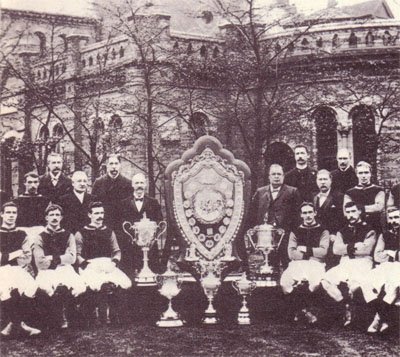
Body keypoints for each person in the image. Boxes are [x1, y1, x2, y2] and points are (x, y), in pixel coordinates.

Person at [75, 202, 131, 325]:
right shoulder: (80, 233)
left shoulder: (109, 232)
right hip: (89, 265)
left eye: (101, 213)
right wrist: (86, 265)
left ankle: (114, 314)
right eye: (96, 213)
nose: (100, 216)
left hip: (107, 264)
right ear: (90, 215)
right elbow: (77, 254)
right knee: (97, 284)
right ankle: (98, 316)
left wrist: (114, 263)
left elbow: (116, 251)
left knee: (122, 283)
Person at [321, 201, 376, 327]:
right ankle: (345, 305)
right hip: (345, 262)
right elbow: (336, 250)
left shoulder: (370, 229)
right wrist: (354, 246)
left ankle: (358, 313)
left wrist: (345, 248)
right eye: (348, 212)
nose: (350, 215)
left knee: (355, 286)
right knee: (326, 281)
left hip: (363, 262)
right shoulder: (342, 231)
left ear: (360, 212)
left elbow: (366, 250)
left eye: (353, 211)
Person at [33, 204, 86, 330]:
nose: (54, 218)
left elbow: (72, 258)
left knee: (78, 286)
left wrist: (51, 258)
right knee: (48, 287)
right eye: (51, 215)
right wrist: (62, 258)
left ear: (61, 217)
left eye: (57, 215)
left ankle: (69, 315)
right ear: (46, 217)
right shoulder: (40, 237)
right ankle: (55, 317)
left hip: (65, 269)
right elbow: (40, 262)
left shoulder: (68, 235)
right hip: (47, 271)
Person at [280, 202, 329, 324]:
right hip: (297, 264)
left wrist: (305, 249)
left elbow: (323, 252)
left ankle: (300, 311)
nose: (308, 215)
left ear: (315, 213)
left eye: (310, 212)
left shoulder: (323, 231)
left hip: (316, 264)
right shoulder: (295, 231)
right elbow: (291, 253)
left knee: (315, 284)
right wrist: (312, 252)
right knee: (284, 283)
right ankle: (305, 311)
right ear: (301, 215)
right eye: (305, 213)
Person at [247, 164, 301, 267]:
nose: (276, 176)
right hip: (266, 236)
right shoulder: (260, 192)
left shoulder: (292, 191)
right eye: (274, 174)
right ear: (269, 177)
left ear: (283, 176)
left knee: (288, 263)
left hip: (286, 235)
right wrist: (255, 228)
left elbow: (298, 214)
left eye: (279, 174)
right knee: (270, 263)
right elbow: (252, 212)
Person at [0, 202, 41, 337]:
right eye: (8, 212)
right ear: (2, 214)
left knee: (32, 285)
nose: (11, 215)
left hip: (18, 268)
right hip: (2, 270)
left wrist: (7, 256)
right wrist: (17, 253)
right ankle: (21, 325)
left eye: (14, 213)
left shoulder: (22, 233)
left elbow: (27, 257)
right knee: (4, 289)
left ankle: (13, 324)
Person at [361, 206, 400, 333]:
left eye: (397, 217)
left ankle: (378, 319)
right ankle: (383, 317)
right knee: (365, 282)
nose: (394, 221)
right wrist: (394, 255)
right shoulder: (385, 235)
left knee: (394, 285)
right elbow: (377, 256)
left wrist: (390, 252)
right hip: (385, 266)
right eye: (391, 218)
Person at [119, 173, 163, 277]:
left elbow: (159, 222)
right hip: (131, 246)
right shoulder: (124, 203)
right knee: (132, 277)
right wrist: (129, 239)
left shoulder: (153, 202)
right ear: (132, 185)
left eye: (141, 183)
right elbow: (121, 224)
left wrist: (153, 239)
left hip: (150, 246)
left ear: (145, 185)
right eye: (137, 183)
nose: (139, 185)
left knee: (151, 276)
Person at [92, 154, 133, 230]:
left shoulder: (128, 183)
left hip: (122, 225)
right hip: (104, 224)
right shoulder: (99, 183)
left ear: (120, 165)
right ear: (107, 166)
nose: (114, 166)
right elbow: (93, 204)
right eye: (111, 164)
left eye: (116, 163)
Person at [344, 161, 384, 233]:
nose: (363, 176)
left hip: (374, 226)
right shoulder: (349, 193)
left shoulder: (378, 190)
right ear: (356, 174)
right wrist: (369, 208)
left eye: (366, 172)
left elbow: (379, 207)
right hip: (356, 228)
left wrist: (359, 208)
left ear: (370, 174)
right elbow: (346, 210)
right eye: (360, 173)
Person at [313, 169, 345, 235]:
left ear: (331, 181)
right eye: (320, 179)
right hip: (316, 235)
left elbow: (342, 219)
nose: (323, 182)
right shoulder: (313, 197)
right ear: (316, 181)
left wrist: (335, 234)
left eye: (325, 179)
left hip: (332, 235)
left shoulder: (339, 197)